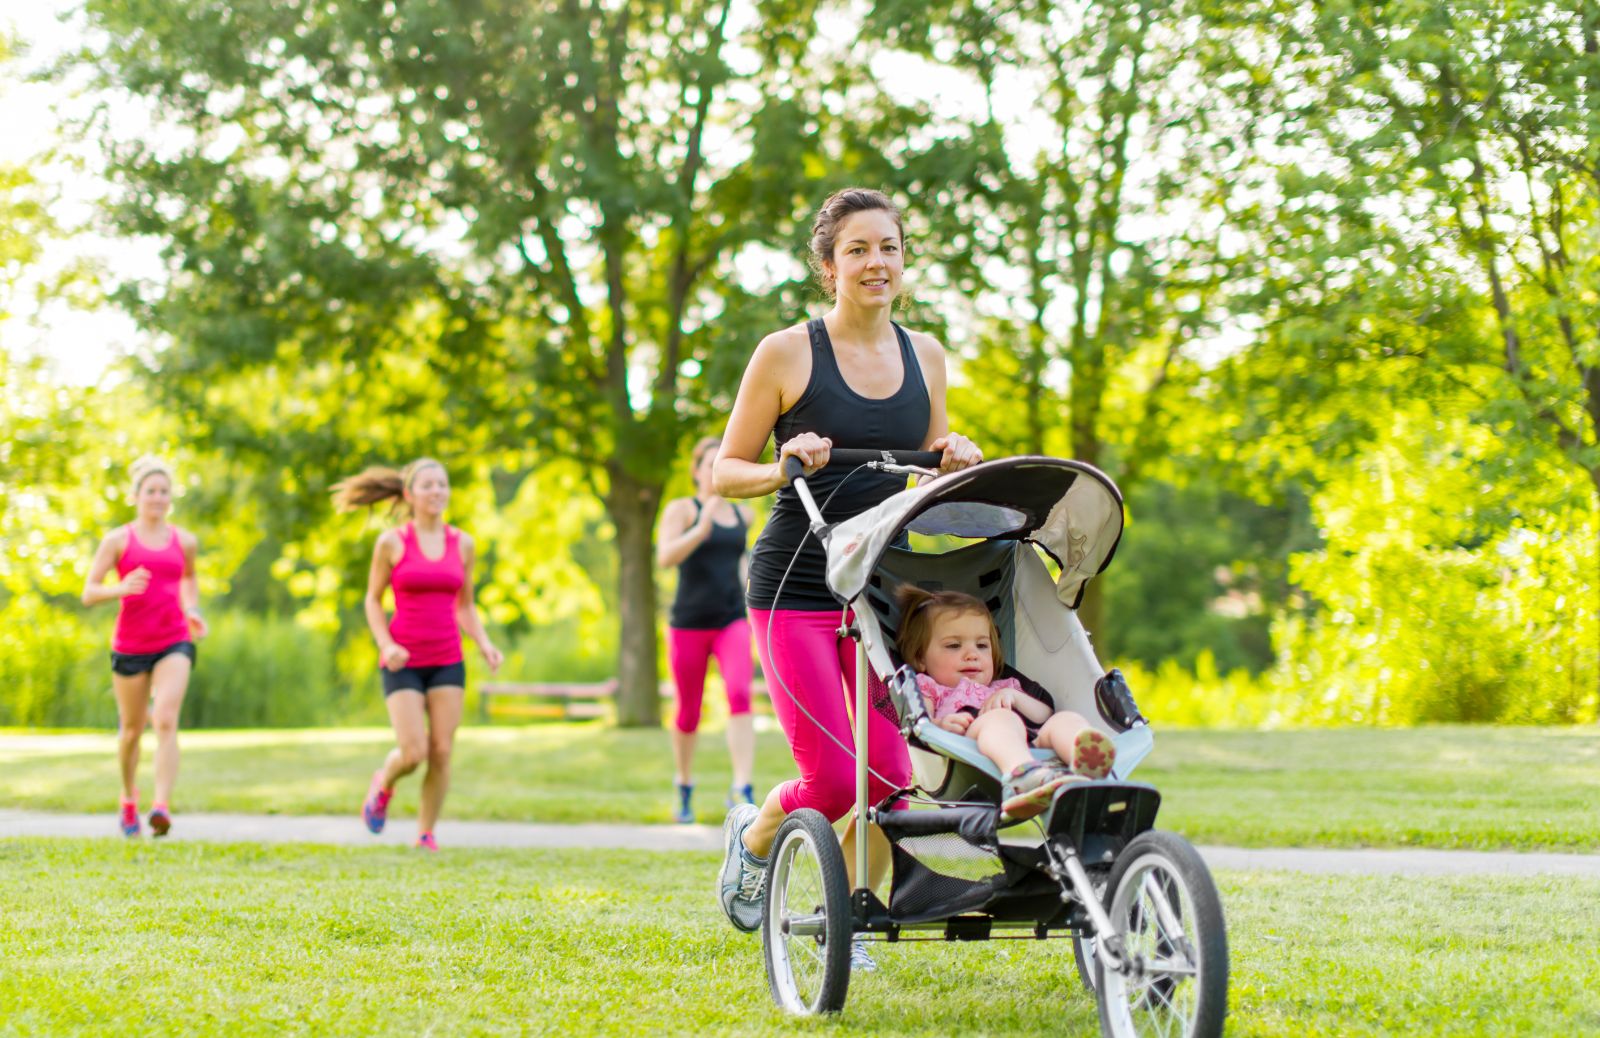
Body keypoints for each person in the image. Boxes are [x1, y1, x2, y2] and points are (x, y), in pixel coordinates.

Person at [711, 187, 983, 971]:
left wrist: (952, 459)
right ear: (829, 266)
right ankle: (755, 837)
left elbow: (924, 483)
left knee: (893, 776)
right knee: (832, 779)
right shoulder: (787, 353)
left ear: (903, 260)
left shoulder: (925, 355)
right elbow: (728, 470)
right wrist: (782, 466)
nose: (876, 262)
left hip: (872, 586)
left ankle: (849, 919)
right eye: (858, 250)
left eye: (889, 247)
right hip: (794, 585)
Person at [332, 458, 503, 851]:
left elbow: (465, 605)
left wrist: (484, 642)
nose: (437, 492)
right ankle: (384, 781)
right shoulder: (392, 542)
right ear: (409, 494)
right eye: (427, 485)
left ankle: (426, 833)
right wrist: (386, 644)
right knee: (414, 752)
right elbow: (373, 601)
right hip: (403, 660)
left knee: (442, 750)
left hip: (447, 658)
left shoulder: (463, 543)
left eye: (442, 485)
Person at [895, 586, 1115, 820]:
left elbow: (1044, 715)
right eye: (954, 645)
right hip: (970, 751)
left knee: (1064, 719)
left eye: (982, 645)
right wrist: (941, 725)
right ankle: (1020, 775)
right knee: (1000, 718)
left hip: (1032, 741)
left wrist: (1015, 697)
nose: (972, 654)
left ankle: (1086, 763)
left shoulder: (1004, 686)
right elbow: (921, 722)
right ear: (920, 658)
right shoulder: (929, 687)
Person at [82, 456, 207, 838]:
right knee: (132, 731)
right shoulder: (118, 540)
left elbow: (188, 580)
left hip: (174, 638)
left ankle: (161, 807)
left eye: (164, 491)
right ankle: (128, 797)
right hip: (131, 644)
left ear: (171, 498)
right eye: (150, 491)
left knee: (166, 718)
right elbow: (89, 592)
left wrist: (193, 610)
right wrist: (120, 588)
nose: (157, 497)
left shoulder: (184, 541)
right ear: (136, 495)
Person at [656, 435, 758, 824]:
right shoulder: (681, 509)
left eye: (722, 463)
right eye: (709, 463)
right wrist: (700, 528)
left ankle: (742, 787)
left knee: (739, 694)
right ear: (697, 471)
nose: (715, 472)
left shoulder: (742, 515)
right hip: (688, 623)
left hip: (731, 618)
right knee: (688, 711)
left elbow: (742, 566)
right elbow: (665, 557)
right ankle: (684, 786)